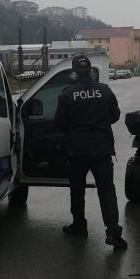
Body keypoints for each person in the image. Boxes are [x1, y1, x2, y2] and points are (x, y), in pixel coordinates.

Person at [53, 54, 128, 250]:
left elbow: (59, 123)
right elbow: (115, 115)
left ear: (75, 72)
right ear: (90, 72)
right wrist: (100, 123)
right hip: (102, 149)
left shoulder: (67, 94)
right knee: (107, 190)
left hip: (77, 151)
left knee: (77, 190)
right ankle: (113, 232)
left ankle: (79, 226)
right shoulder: (104, 91)